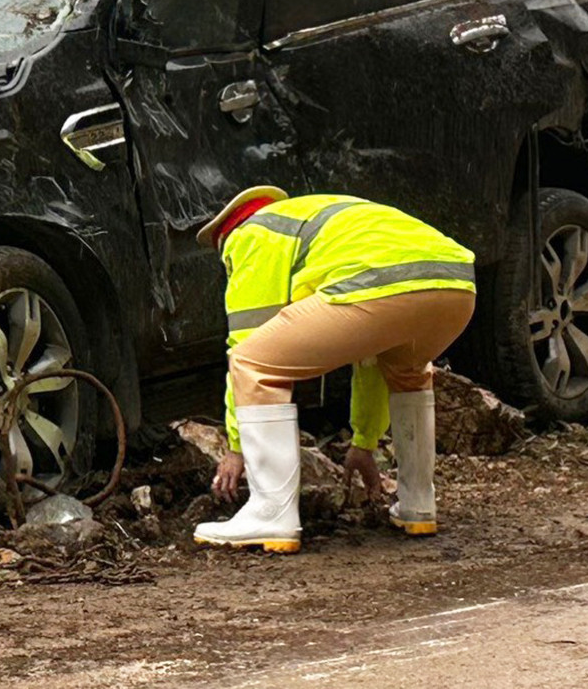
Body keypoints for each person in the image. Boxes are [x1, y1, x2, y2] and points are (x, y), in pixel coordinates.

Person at [193, 185, 477, 552]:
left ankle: (271, 514)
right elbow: (371, 352)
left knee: (253, 362)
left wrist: (236, 447)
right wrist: (364, 442)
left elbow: (246, 345)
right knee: (406, 371)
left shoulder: (251, 236)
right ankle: (417, 504)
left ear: (225, 241)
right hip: (456, 284)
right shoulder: (315, 219)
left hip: (381, 285)